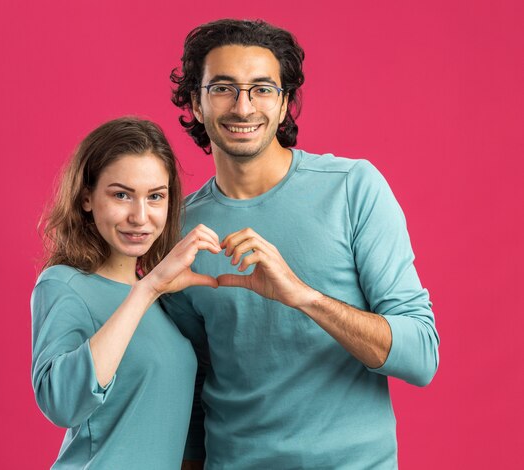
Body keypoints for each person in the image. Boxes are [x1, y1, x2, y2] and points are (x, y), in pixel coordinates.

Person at [164, 19, 440, 469]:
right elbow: (192, 382)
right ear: (195, 102)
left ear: (284, 103)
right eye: (223, 89)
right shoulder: (177, 229)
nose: (243, 106)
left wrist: (305, 298)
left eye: (262, 89)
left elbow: (421, 356)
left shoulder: (353, 189)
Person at [30, 117, 222, 469]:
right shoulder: (64, 284)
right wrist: (147, 288)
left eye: (155, 197)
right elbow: (62, 404)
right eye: (121, 195)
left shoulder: (164, 297)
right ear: (87, 198)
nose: (140, 216)